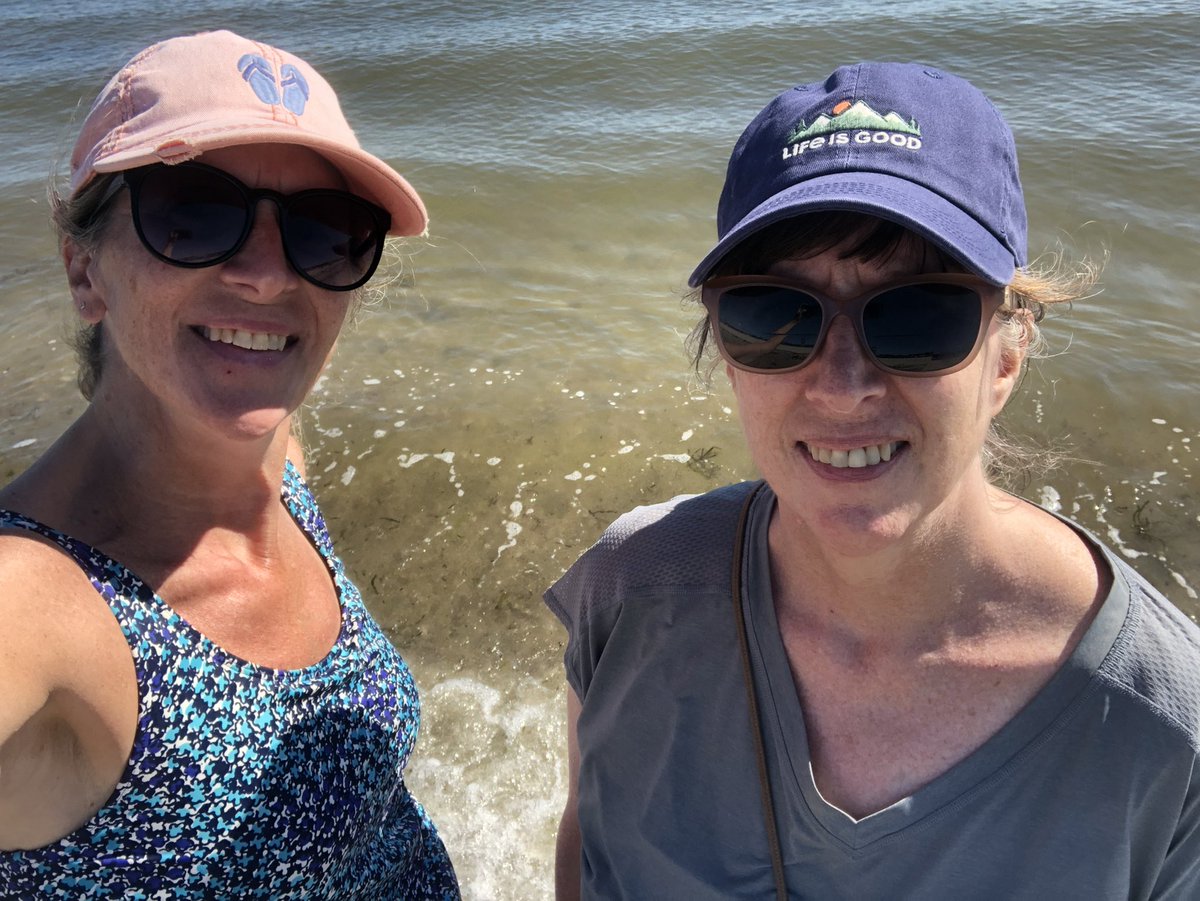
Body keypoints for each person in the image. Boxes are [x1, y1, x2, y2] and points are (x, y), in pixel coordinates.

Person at [546, 62, 1200, 899]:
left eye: (918, 313)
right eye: (773, 316)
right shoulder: (631, 589)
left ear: (1007, 353)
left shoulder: (1163, 730)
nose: (842, 383)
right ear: (724, 350)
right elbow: (586, 837)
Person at [0, 30, 459, 898]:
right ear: (83, 270)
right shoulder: (35, 599)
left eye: (325, 232)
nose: (264, 274)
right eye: (191, 215)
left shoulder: (278, 460)